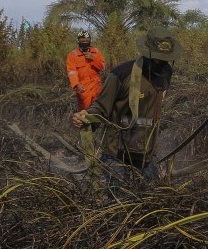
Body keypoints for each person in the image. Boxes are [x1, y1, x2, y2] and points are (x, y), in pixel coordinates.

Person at [71, 26, 183, 188]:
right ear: (147, 52)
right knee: (119, 203)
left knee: (149, 199)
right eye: (158, 57)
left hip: (147, 153)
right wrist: (85, 118)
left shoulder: (166, 72)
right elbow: (101, 107)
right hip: (117, 154)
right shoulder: (121, 74)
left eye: (165, 58)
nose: (161, 62)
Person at [65, 31, 106, 110]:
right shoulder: (73, 55)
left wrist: (93, 59)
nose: (85, 42)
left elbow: (103, 67)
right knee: (85, 111)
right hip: (83, 87)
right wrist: (77, 85)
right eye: (82, 41)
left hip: (96, 85)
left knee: (100, 109)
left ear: (90, 41)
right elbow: (72, 72)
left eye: (87, 41)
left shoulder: (96, 52)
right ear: (78, 41)